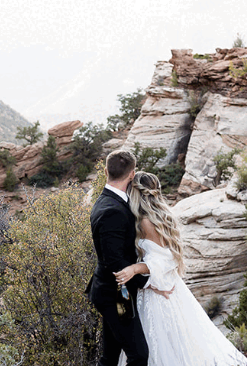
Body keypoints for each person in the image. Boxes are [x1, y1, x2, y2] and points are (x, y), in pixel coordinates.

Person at [114, 171, 247, 366]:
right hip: (172, 286)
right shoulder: (164, 216)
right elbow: (170, 257)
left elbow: (160, 259)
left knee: (158, 344)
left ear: (136, 193)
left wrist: (136, 268)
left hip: (155, 293)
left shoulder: (144, 222)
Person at [87, 150, 151, 366]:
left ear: (106, 171)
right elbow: (114, 261)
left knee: (110, 356)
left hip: (109, 290)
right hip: (114, 295)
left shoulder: (107, 201)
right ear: (132, 174)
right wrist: (148, 282)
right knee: (139, 355)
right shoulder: (112, 210)